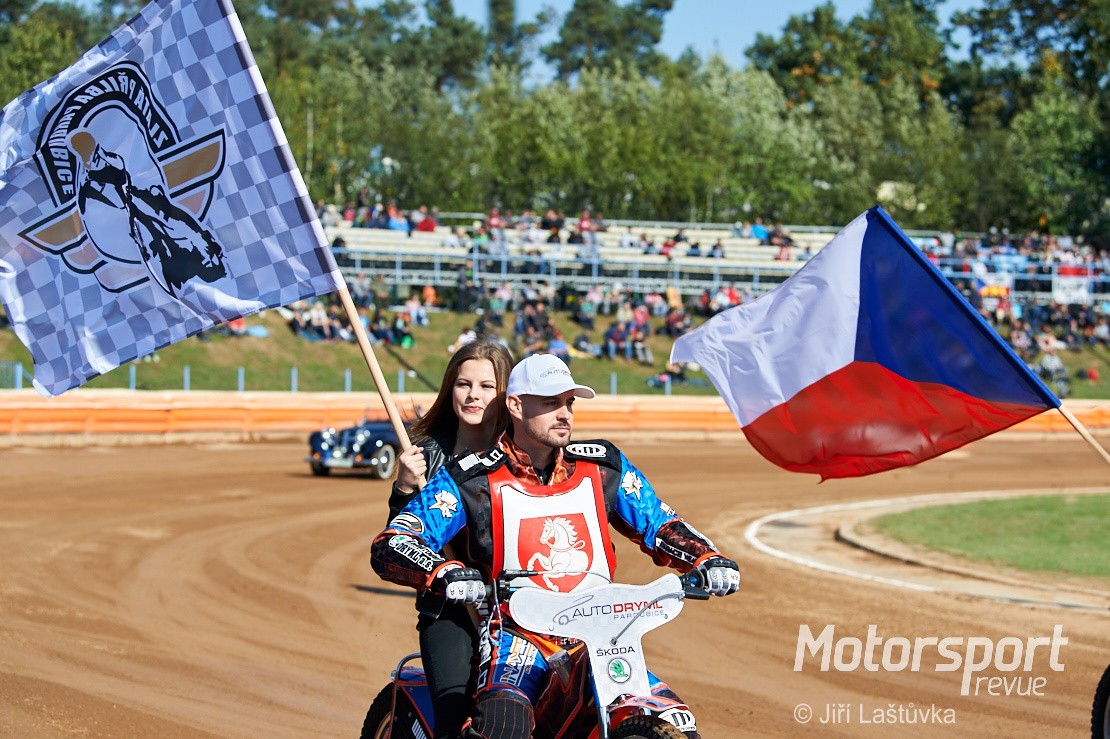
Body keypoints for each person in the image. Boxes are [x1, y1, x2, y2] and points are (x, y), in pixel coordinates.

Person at [371, 354, 741, 738]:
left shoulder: (604, 466)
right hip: (518, 639)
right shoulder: (471, 477)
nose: (564, 414)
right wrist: (444, 571)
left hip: (601, 633)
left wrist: (706, 557)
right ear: (516, 406)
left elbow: (660, 524)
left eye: (569, 402)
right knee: (501, 727)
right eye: (550, 403)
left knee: (675, 720)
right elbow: (397, 540)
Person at [385, 340, 514, 739]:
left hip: (518, 608)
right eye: (463, 384)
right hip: (451, 610)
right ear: (449, 389)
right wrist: (404, 488)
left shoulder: (523, 454)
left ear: (507, 395)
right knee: (453, 720)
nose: (473, 395)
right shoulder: (425, 455)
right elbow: (397, 542)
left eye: (486, 386)